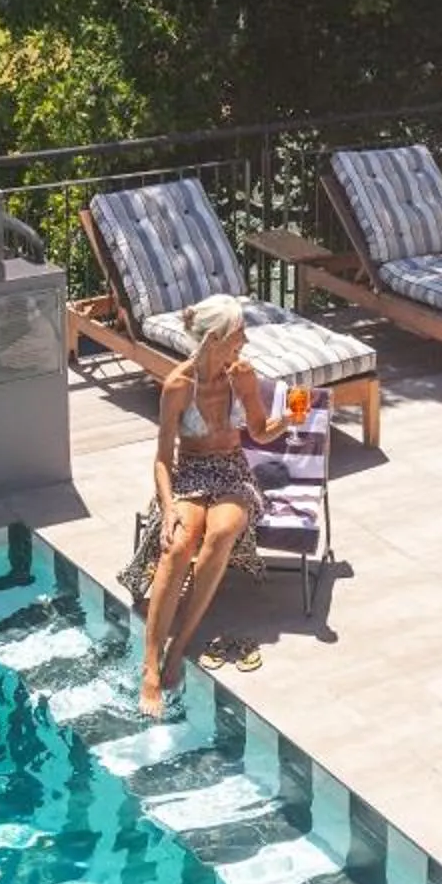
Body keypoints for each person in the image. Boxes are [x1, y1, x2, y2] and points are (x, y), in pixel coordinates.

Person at [120, 295, 279, 713]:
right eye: (238, 332)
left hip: (231, 471)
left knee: (221, 531)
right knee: (178, 543)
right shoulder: (178, 385)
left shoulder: (242, 376)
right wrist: (169, 507)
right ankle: (151, 665)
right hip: (189, 472)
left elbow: (260, 432)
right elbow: (161, 458)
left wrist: (289, 420)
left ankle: (178, 648)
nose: (244, 339)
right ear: (214, 339)